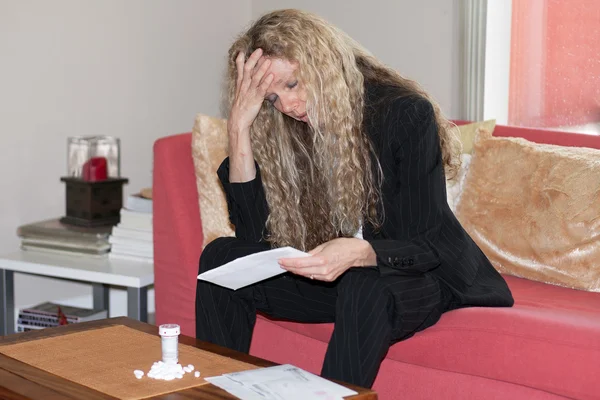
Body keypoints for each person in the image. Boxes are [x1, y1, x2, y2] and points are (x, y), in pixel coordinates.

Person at [196, 9, 513, 389]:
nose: (288, 106)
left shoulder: (403, 113)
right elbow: (252, 239)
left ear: (322, 62)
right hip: (339, 278)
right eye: (272, 97)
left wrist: (361, 253)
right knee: (220, 258)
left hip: (415, 275)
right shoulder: (286, 128)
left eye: (294, 84)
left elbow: (425, 244)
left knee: (366, 284)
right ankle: (211, 394)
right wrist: (239, 128)